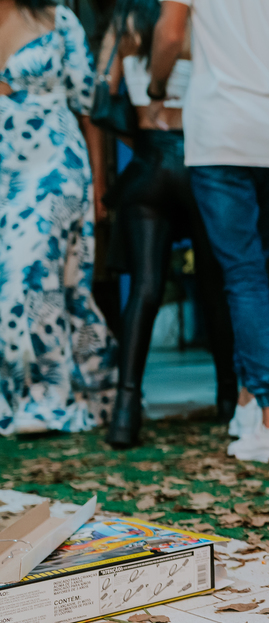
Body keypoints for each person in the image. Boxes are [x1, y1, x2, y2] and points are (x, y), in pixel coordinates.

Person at [147, 0, 269, 463]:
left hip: (222, 135)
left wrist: (155, 88)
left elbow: (170, 35)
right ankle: (247, 406)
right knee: (252, 270)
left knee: (244, 274)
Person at [99, 0, 237, 448]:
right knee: (214, 284)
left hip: (146, 163)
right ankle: (229, 403)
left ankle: (125, 413)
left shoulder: (124, 25)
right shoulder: (193, 21)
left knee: (145, 288)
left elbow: (102, 96)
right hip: (197, 157)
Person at [0, 0, 117, 436]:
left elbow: (88, 107)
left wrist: (100, 182)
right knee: (62, 291)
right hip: (3, 169)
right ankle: (99, 379)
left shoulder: (57, 18)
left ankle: (46, 398)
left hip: (54, 163)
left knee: (26, 277)